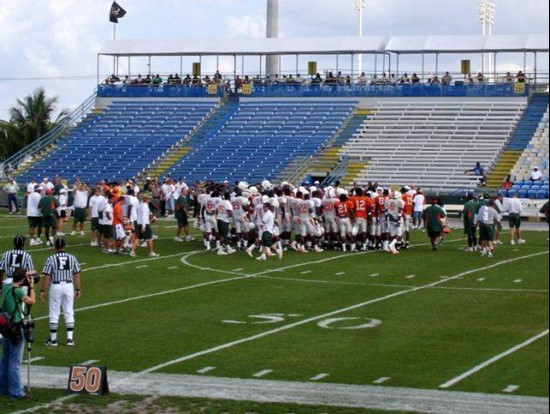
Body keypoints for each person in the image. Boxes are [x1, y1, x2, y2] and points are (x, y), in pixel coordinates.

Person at [0, 268, 36, 399]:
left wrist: (26, 274)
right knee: (15, 362)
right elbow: (32, 301)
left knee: (5, 359)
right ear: (22, 280)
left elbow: (17, 279)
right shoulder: (18, 291)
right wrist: (31, 287)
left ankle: (3, 388)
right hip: (15, 327)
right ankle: (16, 392)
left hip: (5, 327)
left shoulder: (6, 287)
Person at [40, 239, 81, 347]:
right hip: (68, 285)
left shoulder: (51, 259)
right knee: (68, 311)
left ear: (55, 247)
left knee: (54, 312)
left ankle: (53, 340)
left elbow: (47, 276)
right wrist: (78, 289)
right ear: (64, 246)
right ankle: (70, 339)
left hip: (56, 286)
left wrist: (42, 290)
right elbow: (76, 274)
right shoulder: (72, 258)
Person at [130, 193, 159, 258]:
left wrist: (152, 216)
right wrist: (144, 226)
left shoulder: (140, 205)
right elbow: (144, 216)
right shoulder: (145, 206)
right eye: (148, 198)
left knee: (138, 238)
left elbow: (143, 214)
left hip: (138, 223)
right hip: (144, 224)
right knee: (149, 238)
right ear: (145, 199)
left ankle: (132, 251)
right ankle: (151, 252)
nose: (149, 199)